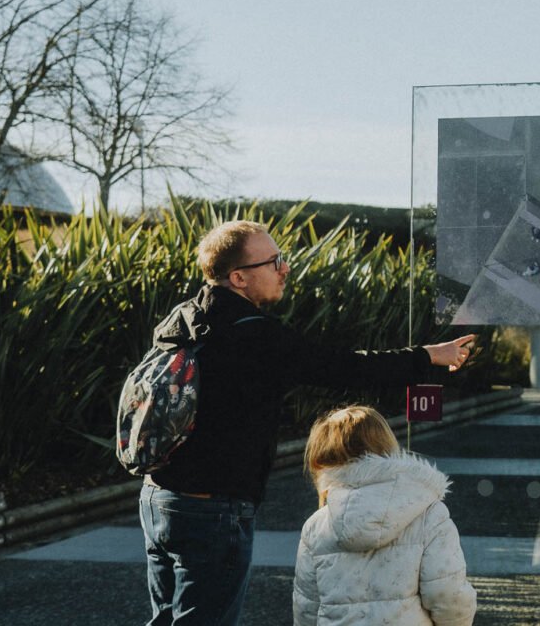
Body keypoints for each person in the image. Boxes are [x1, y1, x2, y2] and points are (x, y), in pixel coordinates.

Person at [137, 220, 475, 626]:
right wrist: (427, 357)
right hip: (214, 507)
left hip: (158, 498)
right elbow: (344, 368)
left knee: (165, 619)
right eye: (274, 261)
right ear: (239, 277)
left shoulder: (182, 320)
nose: (285, 269)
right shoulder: (255, 336)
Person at [294, 405, 476, 626]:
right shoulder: (428, 513)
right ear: (387, 447)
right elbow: (448, 595)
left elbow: (306, 609)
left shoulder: (316, 527)